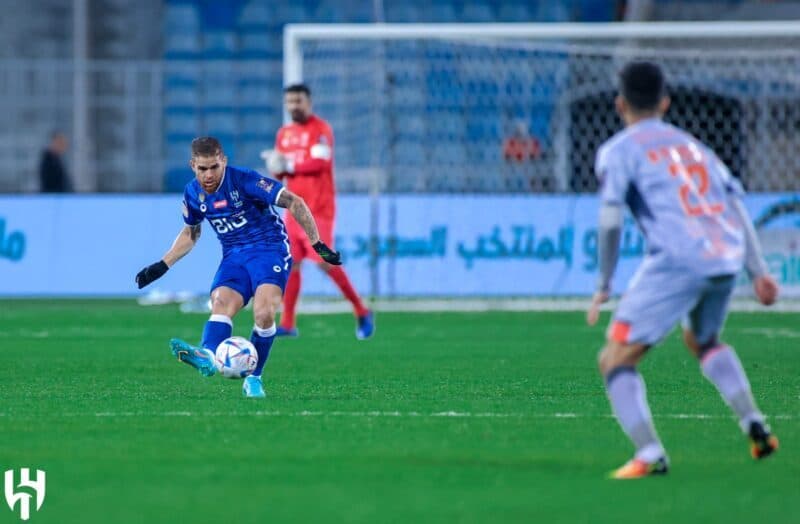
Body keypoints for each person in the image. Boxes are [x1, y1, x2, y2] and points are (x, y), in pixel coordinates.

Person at [586, 61, 780, 479]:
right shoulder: (695, 147)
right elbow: (735, 206)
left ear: (620, 104)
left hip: (677, 258)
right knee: (703, 339)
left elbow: (610, 218)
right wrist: (758, 271)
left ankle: (649, 454)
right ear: (666, 102)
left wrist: (604, 283)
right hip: (726, 256)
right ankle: (754, 423)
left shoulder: (619, 150)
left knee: (615, 358)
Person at [135, 136, 341, 398]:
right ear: (192, 166)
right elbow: (191, 233)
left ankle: (254, 378)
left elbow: (294, 201)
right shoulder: (192, 193)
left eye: (214, 167)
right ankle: (208, 355)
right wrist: (162, 265)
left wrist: (317, 243)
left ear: (223, 161)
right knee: (220, 303)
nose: (208, 175)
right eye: (202, 169)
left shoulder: (245, 180)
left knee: (264, 313)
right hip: (233, 257)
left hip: (270, 251)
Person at [264, 83, 374, 340]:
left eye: (298, 101)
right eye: (290, 102)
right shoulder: (284, 134)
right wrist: (275, 166)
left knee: (324, 261)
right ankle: (288, 323)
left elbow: (319, 162)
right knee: (292, 264)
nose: (294, 106)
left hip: (319, 209)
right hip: (294, 209)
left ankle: (362, 311)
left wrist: (288, 163)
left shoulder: (321, 129)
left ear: (309, 102)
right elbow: (281, 173)